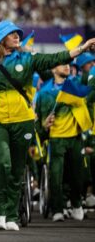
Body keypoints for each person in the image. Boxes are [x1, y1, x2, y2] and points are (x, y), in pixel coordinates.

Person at [0, 20, 95, 231]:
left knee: (18, 169)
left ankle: (11, 215)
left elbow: (54, 58)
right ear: (1, 38)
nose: (17, 36)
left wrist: (81, 49)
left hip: (22, 121)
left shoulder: (28, 59)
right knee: (2, 164)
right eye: (12, 34)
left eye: (18, 33)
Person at [34, 64, 91, 221]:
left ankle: (77, 205)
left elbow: (89, 75)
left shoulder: (76, 85)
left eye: (68, 64)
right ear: (52, 70)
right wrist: (44, 127)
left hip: (76, 137)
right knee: (56, 176)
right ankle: (57, 209)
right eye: (62, 64)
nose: (67, 66)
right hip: (57, 139)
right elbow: (39, 125)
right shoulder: (44, 93)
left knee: (78, 176)